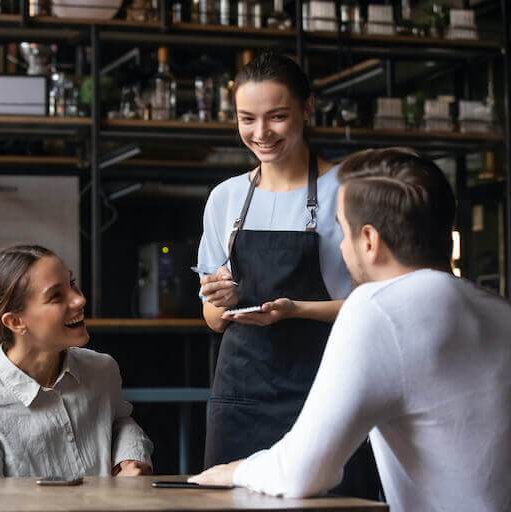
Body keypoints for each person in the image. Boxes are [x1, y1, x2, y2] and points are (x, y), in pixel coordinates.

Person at [190, 147, 511, 511]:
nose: (342, 246)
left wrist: (236, 471)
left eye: (343, 231)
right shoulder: (500, 311)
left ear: (370, 241)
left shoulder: (376, 308)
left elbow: (301, 474)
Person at [196, 51, 379, 497]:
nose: (261, 134)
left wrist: (297, 310)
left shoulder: (347, 191)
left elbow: (378, 305)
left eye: (277, 116)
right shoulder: (226, 198)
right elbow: (212, 321)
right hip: (240, 397)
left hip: (325, 392)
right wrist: (220, 302)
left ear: (307, 108)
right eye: (247, 119)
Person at [0, 244, 153, 479]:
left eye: (72, 284)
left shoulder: (102, 369)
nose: (80, 299)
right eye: (56, 296)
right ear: (16, 321)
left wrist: (131, 456)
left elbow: (118, 420)